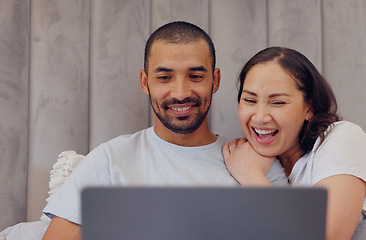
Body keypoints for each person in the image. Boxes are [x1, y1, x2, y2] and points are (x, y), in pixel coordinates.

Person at [41, 22, 287, 239]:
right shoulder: (109, 160)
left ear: (215, 80)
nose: (180, 93)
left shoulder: (253, 161)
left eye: (195, 76)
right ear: (145, 82)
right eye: (164, 77)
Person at [222, 47, 366, 240]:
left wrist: (251, 176)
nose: (259, 117)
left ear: (309, 108)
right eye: (249, 100)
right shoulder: (255, 161)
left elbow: (326, 236)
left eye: (278, 103)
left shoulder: (342, 137)